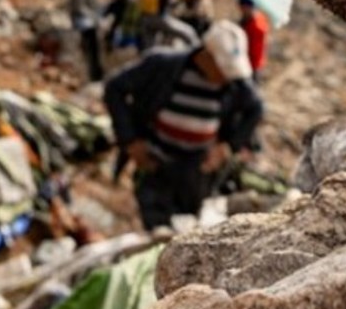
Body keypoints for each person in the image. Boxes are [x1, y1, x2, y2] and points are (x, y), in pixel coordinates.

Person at [103, 19, 264, 229]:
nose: (226, 77)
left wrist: (227, 147)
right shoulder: (162, 65)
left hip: (197, 170)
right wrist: (130, 140)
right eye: (222, 69)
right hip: (155, 163)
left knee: (189, 228)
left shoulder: (234, 84)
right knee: (157, 231)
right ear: (206, 55)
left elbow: (256, 109)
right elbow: (114, 88)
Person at [67, 0, 106, 82]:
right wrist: (95, 18)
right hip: (81, 17)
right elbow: (79, 7)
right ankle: (95, 72)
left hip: (94, 14)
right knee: (92, 35)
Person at [237, 0, 270, 78]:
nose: (241, 10)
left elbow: (253, 51)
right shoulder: (252, 19)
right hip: (249, 64)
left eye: (243, 8)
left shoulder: (257, 27)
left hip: (252, 66)